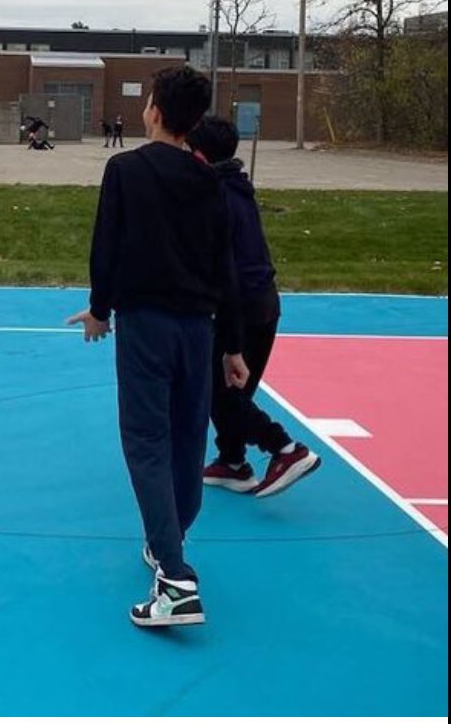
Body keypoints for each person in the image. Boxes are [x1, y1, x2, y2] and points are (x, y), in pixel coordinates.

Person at [67, 65, 249, 628]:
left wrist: (100, 309)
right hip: (200, 329)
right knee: (187, 438)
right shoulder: (211, 182)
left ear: (153, 111)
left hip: (147, 323)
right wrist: (233, 346)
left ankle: (175, 578)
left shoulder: (125, 169)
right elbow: (227, 269)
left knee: (146, 439)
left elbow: (108, 246)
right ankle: (168, 541)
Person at [187, 115, 320, 497]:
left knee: (217, 391)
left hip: (240, 304)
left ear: (198, 154)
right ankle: (231, 462)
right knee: (234, 392)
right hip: (265, 302)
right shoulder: (237, 186)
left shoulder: (214, 196)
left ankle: (285, 448)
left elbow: (217, 262)